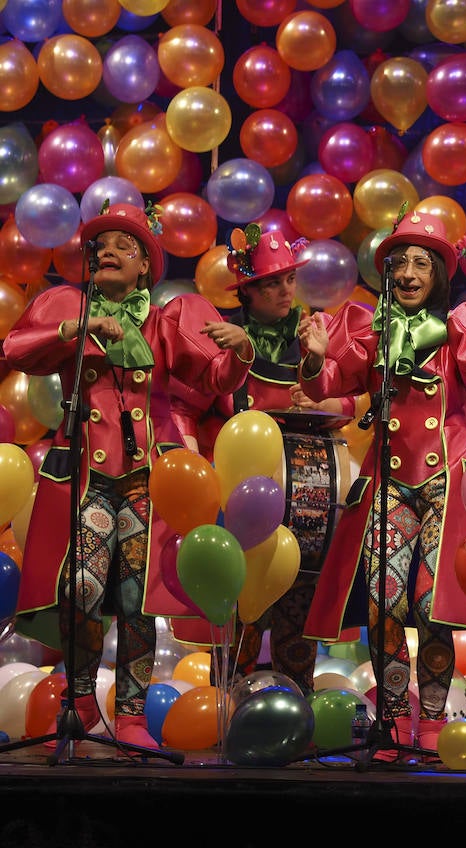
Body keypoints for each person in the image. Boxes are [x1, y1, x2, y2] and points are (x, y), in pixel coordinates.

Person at [297, 208, 466, 759]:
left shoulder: (461, 326)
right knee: (383, 602)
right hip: (389, 479)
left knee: (433, 601)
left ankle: (432, 721)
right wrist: (315, 359)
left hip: (448, 479)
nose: (409, 272)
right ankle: (391, 720)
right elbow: (323, 388)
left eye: (421, 263)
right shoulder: (368, 329)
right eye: (399, 262)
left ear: (439, 274)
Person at [2, 200, 254, 752]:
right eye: (101, 245)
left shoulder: (162, 322)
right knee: (79, 588)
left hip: (147, 476)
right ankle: (84, 698)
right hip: (88, 477)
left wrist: (241, 352)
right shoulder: (68, 305)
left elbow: (212, 376)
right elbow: (17, 348)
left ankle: (135, 714)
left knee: (138, 596)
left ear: (146, 265)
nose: (109, 251)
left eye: (125, 245)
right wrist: (78, 326)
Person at [168, 222, 358, 698]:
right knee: (240, 604)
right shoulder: (225, 336)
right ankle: (228, 708)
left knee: (299, 599)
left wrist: (328, 404)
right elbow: (188, 405)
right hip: (242, 496)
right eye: (271, 283)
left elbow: (354, 399)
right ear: (248, 291)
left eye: (288, 280)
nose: (284, 290)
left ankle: (296, 710)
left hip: (310, 492)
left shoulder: (316, 332)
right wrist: (192, 456)